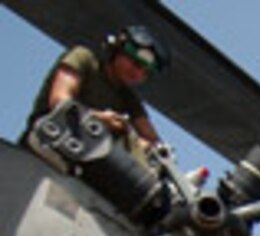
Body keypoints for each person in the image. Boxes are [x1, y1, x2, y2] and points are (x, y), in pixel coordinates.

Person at [22, 25, 168, 159]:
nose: (138, 73)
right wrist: (98, 119)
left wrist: (138, 143)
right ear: (117, 49)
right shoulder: (84, 59)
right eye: (136, 63)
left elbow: (154, 142)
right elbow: (59, 101)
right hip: (41, 147)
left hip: (78, 166)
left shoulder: (128, 99)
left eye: (145, 73)